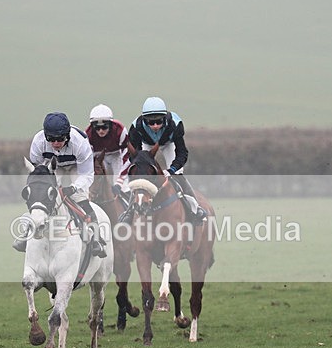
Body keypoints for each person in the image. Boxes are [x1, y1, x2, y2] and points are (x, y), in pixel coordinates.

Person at [21, 111, 106, 257]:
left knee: (80, 198)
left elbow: (87, 175)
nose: (55, 143)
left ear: (67, 136)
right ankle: (26, 232)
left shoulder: (80, 143)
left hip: (76, 167)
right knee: (40, 196)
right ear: (45, 136)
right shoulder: (38, 142)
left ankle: (96, 238)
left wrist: (73, 188)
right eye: (51, 139)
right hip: (53, 167)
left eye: (60, 139)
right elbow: (37, 172)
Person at [127, 96, 207, 224]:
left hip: (169, 144)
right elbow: (134, 156)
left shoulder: (175, 124)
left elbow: (182, 153)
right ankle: (129, 212)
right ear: (144, 120)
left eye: (159, 121)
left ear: (164, 118)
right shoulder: (136, 127)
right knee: (140, 178)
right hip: (146, 145)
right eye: (150, 122)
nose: (155, 126)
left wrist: (172, 170)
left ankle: (195, 208)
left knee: (178, 175)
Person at [84, 104, 130, 196]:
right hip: (98, 156)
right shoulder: (87, 134)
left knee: (123, 186)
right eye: (97, 128)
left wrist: (120, 181)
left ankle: (127, 199)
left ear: (111, 125)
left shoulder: (120, 130)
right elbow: (88, 159)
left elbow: (126, 154)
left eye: (104, 127)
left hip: (116, 155)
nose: (101, 131)